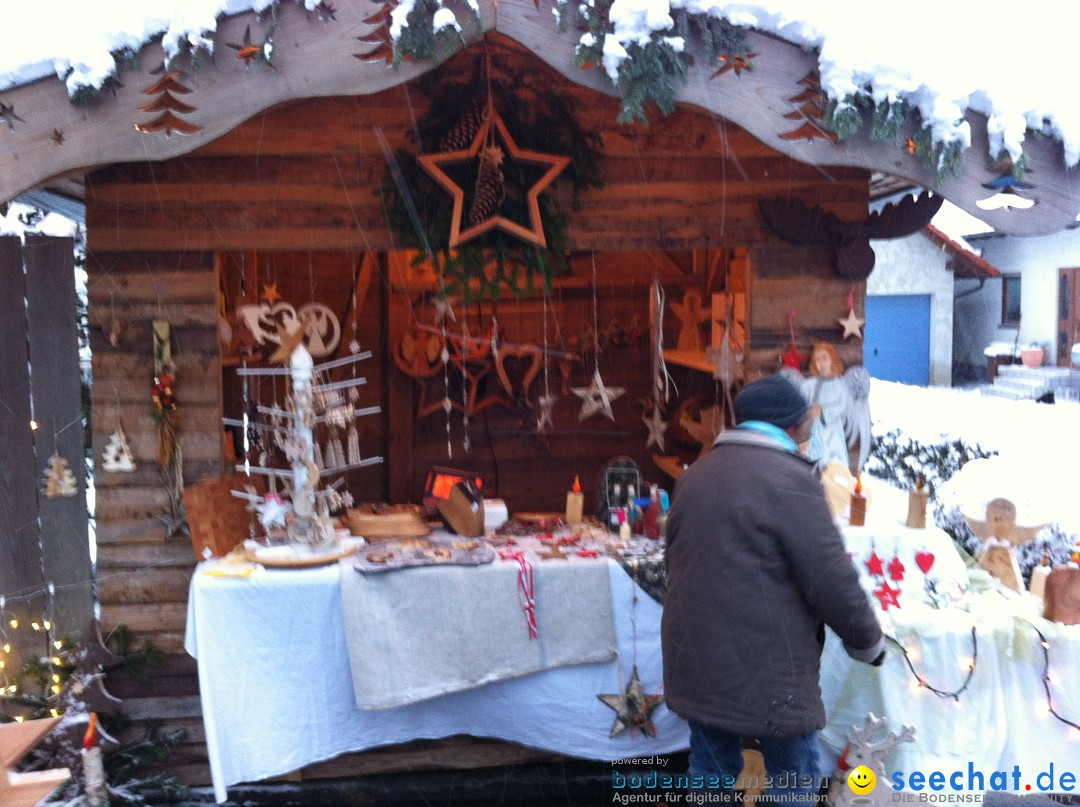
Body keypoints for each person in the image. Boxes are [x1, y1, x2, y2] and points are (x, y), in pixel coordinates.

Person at [661, 373, 885, 805]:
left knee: (710, 772)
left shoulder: (694, 476)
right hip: (771, 672)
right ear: (791, 426)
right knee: (792, 779)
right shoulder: (791, 480)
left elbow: (675, 564)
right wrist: (867, 642)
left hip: (697, 661)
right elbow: (831, 577)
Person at [801, 342, 853, 470]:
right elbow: (801, 402)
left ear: (832, 360)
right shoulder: (810, 385)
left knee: (832, 459)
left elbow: (841, 405)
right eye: (818, 359)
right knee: (812, 457)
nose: (821, 363)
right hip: (813, 429)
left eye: (824, 358)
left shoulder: (839, 385)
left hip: (831, 429)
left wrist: (823, 413)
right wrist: (809, 411)